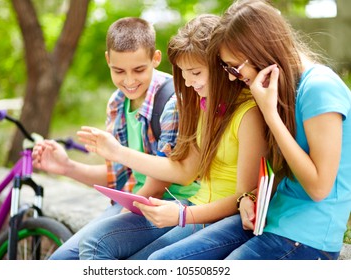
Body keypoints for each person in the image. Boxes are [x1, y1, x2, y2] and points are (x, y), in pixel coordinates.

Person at [142, 0, 351, 260]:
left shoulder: (319, 88)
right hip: (271, 219)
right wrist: (246, 199)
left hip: (306, 235)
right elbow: (279, 170)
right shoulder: (285, 88)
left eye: (234, 67)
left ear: (261, 51)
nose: (231, 77)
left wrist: (271, 115)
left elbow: (319, 188)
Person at [76, 14, 268, 259]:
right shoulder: (203, 104)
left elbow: (243, 198)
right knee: (95, 240)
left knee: (150, 262)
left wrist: (181, 215)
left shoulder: (248, 114)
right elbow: (186, 169)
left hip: (215, 218)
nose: (187, 82)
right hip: (192, 207)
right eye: (183, 73)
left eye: (195, 73)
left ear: (221, 67)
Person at [31, 17, 199, 260]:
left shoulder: (173, 101)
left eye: (139, 70)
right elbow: (120, 178)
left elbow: (159, 183)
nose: (129, 81)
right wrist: (67, 167)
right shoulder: (117, 103)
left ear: (156, 58)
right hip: (136, 205)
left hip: (174, 205)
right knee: (60, 261)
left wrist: (114, 225)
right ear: (108, 59)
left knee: (99, 249)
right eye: (119, 71)